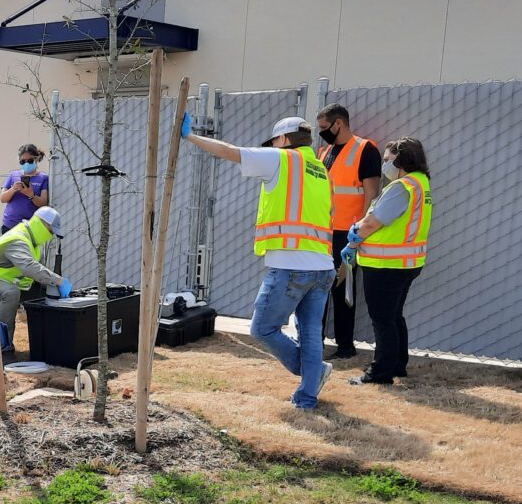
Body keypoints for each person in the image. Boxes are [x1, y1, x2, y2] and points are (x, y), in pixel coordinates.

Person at [183, 114, 335, 410]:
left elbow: (230, 152)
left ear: (284, 140)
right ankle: (307, 396)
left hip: (291, 266)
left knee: (262, 329)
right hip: (322, 266)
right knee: (311, 334)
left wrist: (191, 137)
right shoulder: (320, 169)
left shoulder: (282, 159)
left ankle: (310, 374)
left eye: (274, 141)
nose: (273, 145)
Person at [342, 137, 432, 386]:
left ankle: (380, 372)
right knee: (393, 316)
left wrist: (353, 238)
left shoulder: (401, 187)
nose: (385, 165)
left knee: (382, 319)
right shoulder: (421, 184)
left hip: (385, 265)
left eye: (388, 159)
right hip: (406, 263)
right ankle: (396, 365)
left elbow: (373, 222)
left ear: (402, 160)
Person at [316, 104, 382, 359]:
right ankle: (315, 340)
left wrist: (361, 233)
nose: (322, 133)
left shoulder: (365, 150)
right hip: (325, 231)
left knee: (343, 289)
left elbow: (371, 194)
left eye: (324, 128)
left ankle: (345, 346)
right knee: (319, 286)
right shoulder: (325, 153)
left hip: (349, 233)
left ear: (338, 123)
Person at [0, 207, 71, 334]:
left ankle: (44, 340)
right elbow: (28, 267)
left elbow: (39, 274)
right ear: (42, 224)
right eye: (50, 231)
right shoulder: (18, 239)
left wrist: (55, 287)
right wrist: (59, 281)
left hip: (9, 284)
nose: (50, 236)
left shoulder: (34, 244)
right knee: (11, 293)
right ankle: (3, 343)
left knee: (48, 294)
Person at [0, 143, 49, 232]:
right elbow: (3, 198)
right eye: (22, 161)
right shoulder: (13, 175)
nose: (26, 164)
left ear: (36, 159)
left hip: (30, 227)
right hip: (10, 225)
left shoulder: (43, 178)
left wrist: (31, 194)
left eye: (29, 161)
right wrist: (13, 189)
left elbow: (43, 203)